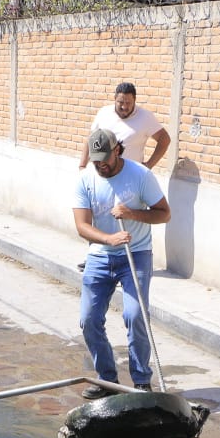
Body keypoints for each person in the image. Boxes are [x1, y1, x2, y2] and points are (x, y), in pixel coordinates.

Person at [73, 128, 171, 399]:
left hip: (135, 253)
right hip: (100, 255)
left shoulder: (141, 175)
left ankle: (141, 381)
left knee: (135, 314)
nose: (101, 165)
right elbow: (82, 226)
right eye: (96, 160)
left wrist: (132, 214)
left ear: (118, 150)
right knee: (88, 319)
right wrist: (109, 238)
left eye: (105, 158)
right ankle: (107, 381)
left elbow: (164, 214)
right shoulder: (87, 179)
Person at [78, 82, 170, 171]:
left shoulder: (145, 117)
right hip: (102, 173)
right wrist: (82, 166)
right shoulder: (104, 112)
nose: (124, 107)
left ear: (135, 100)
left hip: (130, 176)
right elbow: (91, 138)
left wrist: (148, 165)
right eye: (120, 102)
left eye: (128, 103)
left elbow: (164, 139)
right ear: (115, 99)